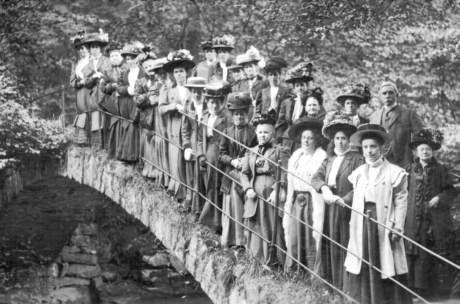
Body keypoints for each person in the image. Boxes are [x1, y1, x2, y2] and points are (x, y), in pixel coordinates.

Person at [335, 124, 413, 304]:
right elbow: (355, 194)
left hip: (384, 222)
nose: (369, 151)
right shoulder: (359, 173)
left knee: (385, 261)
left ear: (382, 148)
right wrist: (343, 200)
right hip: (362, 222)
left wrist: (398, 227)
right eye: (365, 147)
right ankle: (364, 299)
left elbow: (401, 201)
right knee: (362, 258)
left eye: (373, 147)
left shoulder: (395, 172)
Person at [311, 111, 364, 291]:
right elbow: (316, 177)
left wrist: (345, 199)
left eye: (343, 138)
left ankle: (345, 289)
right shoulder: (329, 159)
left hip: (346, 209)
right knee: (329, 245)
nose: (339, 142)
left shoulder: (357, 159)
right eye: (336, 139)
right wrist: (325, 188)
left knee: (344, 245)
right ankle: (330, 286)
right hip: (329, 209)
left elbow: (360, 185)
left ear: (349, 141)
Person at [405, 128, 458, 297]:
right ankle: (417, 290)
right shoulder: (410, 169)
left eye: (428, 148)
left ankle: (436, 292)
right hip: (414, 219)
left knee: (434, 252)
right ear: (416, 151)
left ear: (432, 150)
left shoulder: (441, 169)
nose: (425, 151)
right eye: (422, 149)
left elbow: (451, 191)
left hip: (436, 220)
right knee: (417, 252)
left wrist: (440, 198)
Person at [241, 112, 289, 265]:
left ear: (272, 134)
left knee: (274, 226)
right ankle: (257, 259)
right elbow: (244, 173)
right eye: (260, 132)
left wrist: (277, 189)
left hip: (272, 194)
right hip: (255, 195)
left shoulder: (281, 150)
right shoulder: (251, 151)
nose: (262, 135)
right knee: (256, 226)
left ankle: (277, 261)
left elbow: (285, 172)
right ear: (256, 133)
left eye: (266, 132)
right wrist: (248, 188)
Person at [282, 117, 327, 273]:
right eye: (304, 138)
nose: (306, 141)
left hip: (311, 202)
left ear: (316, 140)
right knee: (294, 235)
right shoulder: (296, 157)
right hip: (297, 201)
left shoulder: (321, 158)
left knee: (310, 236)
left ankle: (310, 272)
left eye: (310, 138)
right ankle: (293, 270)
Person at [219, 92, 257, 247]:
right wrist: (233, 161)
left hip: (247, 176)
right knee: (231, 208)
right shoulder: (227, 132)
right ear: (232, 116)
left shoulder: (253, 133)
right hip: (231, 175)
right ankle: (230, 240)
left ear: (247, 114)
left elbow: (255, 152)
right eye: (236, 114)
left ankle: (243, 242)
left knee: (244, 208)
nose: (239, 117)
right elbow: (221, 155)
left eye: (242, 113)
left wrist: (245, 161)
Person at [159, 49, 195, 203]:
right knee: (177, 159)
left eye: (182, 71)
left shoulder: (192, 88)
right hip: (175, 128)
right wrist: (173, 106)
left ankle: (191, 193)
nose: (179, 74)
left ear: (186, 73)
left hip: (190, 128)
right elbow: (161, 108)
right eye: (176, 72)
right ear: (172, 74)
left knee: (189, 159)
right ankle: (178, 191)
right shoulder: (167, 89)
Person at [197, 82, 233, 231]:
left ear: (222, 103)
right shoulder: (204, 117)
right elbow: (199, 138)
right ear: (207, 102)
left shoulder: (226, 118)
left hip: (219, 155)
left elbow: (230, 138)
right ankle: (209, 216)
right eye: (211, 102)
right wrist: (200, 155)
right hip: (207, 153)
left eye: (217, 103)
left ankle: (215, 221)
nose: (214, 106)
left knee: (216, 186)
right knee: (207, 185)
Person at [369, 81, 424, 168]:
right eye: (384, 93)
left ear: (396, 94)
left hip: (403, 163)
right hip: (379, 162)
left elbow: (421, 138)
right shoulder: (374, 116)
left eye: (390, 92)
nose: (387, 95)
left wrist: (418, 160)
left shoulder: (409, 114)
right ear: (380, 96)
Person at [182, 77, 207, 214]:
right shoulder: (188, 105)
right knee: (191, 175)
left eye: (199, 92)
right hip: (193, 141)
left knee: (202, 175)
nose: (197, 95)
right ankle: (190, 201)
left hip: (205, 142)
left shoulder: (209, 105)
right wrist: (186, 146)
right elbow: (185, 127)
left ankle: (201, 206)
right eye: (194, 92)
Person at [82, 29, 111, 149]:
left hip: (105, 95)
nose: (94, 50)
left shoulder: (107, 61)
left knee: (106, 119)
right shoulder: (87, 65)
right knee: (95, 120)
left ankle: (107, 146)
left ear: (100, 48)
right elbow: (87, 83)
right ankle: (96, 146)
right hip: (93, 96)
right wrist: (94, 77)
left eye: (96, 47)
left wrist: (102, 77)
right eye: (92, 47)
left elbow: (110, 75)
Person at [133, 45, 158, 177]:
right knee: (147, 142)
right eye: (147, 67)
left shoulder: (159, 80)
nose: (150, 69)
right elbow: (137, 100)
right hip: (145, 116)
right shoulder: (140, 82)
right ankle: (147, 169)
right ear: (143, 68)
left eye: (151, 66)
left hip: (157, 116)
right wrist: (149, 96)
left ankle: (158, 170)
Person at [116, 43, 144, 162]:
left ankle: (135, 157)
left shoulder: (142, 71)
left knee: (135, 125)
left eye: (132, 58)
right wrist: (127, 89)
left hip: (138, 103)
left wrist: (137, 90)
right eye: (128, 59)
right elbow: (118, 86)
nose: (130, 61)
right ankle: (126, 155)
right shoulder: (124, 72)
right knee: (128, 125)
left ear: (137, 59)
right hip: (126, 102)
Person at [276, 62, 315, 144]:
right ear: (293, 88)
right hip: (287, 139)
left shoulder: (312, 102)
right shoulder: (286, 103)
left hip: (304, 139)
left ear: (306, 86)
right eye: (297, 86)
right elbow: (281, 124)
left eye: (302, 85)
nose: (300, 88)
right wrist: (278, 140)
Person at [100, 40, 125, 158]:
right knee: (115, 125)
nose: (114, 58)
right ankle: (114, 153)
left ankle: (125, 153)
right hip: (112, 101)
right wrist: (111, 86)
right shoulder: (106, 70)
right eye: (112, 56)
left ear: (121, 56)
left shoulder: (126, 68)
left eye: (116, 55)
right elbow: (102, 87)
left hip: (124, 100)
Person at [150, 57, 170, 186]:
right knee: (162, 143)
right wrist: (163, 96)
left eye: (165, 73)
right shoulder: (155, 86)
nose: (162, 76)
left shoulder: (171, 85)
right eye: (160, 74)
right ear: (157, 75)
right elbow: (152, 100)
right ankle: (163, 177)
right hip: (159, 119)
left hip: (170, 118)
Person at [70, 30, 91, 146]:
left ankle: (93, 140)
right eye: (78, 49)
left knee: (90, 110)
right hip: (80, 92)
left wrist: (86, 81)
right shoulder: (76, 63)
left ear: (87, 48)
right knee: (82, 110)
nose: (81, 51)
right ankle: (82, 140)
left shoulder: (92, 61)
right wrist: (77, 83)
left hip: (90, 90)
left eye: (82, 48)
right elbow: (72, 80)